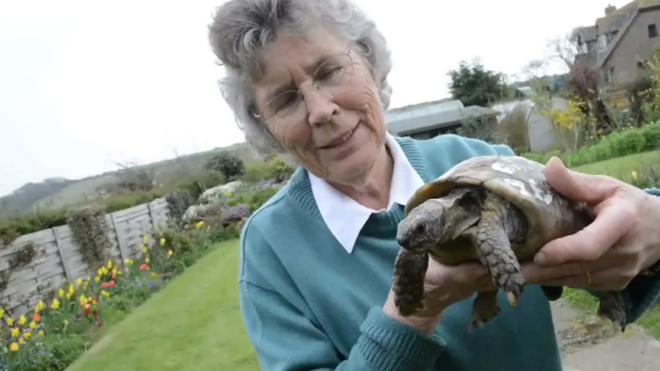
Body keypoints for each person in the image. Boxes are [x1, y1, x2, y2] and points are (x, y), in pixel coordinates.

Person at [207, 0, 660, 369]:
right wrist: (414, 313)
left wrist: (652, 228)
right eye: (286, 99)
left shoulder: (479, 161)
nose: (321, 109)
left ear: (370, 63)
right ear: (266, 128)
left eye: (328, 71)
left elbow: (599, 240)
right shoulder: (271, 252)